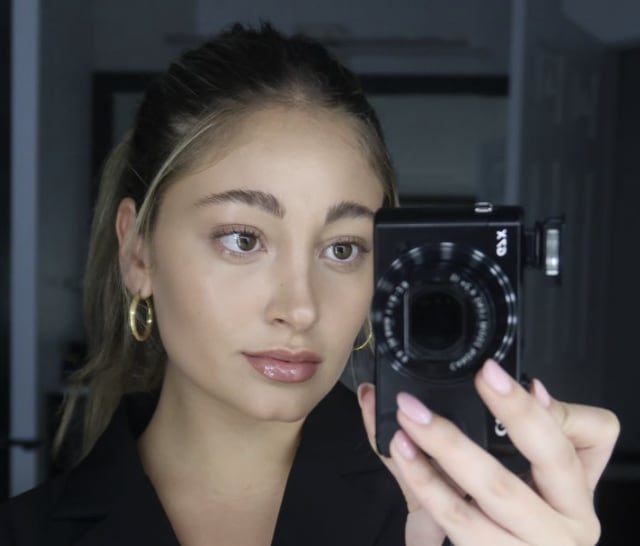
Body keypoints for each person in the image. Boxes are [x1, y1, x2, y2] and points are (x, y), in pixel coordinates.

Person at [0, 23, 619, 546]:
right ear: (138, 252)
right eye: (243, 239)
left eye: (343, 249)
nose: (299, 308)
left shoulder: (472, 517)